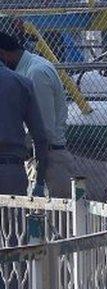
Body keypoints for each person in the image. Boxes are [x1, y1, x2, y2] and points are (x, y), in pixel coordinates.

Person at [0, 32, 75, 198]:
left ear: (3, 54)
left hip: (49, 162)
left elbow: (44, 130)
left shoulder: (36, 73)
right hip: (35, 158)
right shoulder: (27, 72)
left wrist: (39, 180)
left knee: (53, 221)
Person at [0, 61, 48, 197]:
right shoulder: (21, 83)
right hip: (11, 169)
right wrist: (39, 181)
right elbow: (40, 136)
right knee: (11, 217)